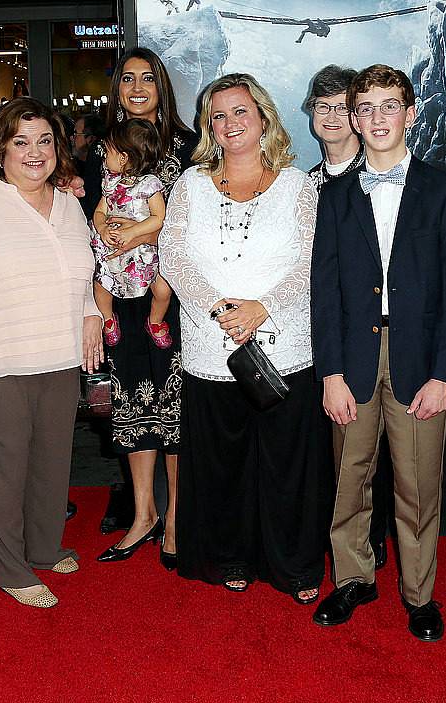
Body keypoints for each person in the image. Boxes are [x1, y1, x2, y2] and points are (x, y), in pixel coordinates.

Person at [311, 64, 446, 642]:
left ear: (410, 113)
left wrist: (444, 372)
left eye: (389, 105)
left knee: (418, 483)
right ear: (353, 118)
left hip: (420, 360)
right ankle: (353, 578)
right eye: (366, 107)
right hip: (351, 360)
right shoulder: (333, 196)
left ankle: (420, 594)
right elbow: (322, 292)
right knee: (349, 475)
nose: (377, 117)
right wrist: (329, 371)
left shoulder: (443, 189)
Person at [161, 73, 330, 604]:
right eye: (218, 115)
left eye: (240, 112)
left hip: (283, 348)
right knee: (221, 464)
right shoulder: (189, 184)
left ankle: (294, 567)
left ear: (263, 118)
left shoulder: (299, 186)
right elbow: (175, 254)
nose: (230, 123)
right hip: (211, 350)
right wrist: (218, 307)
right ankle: (229, 557)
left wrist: (262, 308)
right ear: (208, 127)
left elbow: (310, 262)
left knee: (287, 467)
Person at [0, 98, 104, 608]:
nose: (34, 152)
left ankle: (43, 545)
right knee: (5, 472)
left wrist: (91, 314)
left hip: (59, 357)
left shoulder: (69, 203)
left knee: (53, 464)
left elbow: (81, 274)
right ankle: (11, 569)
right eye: (21, 141)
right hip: (0, 361)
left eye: (44, 141)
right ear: (0, 149)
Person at [89, 48, 196, 560]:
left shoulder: (191, 147)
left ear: (163, 85)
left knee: (174, 407)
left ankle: (177, 518)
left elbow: (198, 216)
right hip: (122, 291)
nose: (135, 87)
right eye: (126, 78)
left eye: (146, 78)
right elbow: (92, 208)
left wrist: (140, 231)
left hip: (171, 293)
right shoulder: (103, 147)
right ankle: (143, 515)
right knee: (133, 402)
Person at [305, 63, 393, 571]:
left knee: (374, 452)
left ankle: (369, 540)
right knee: (333, 450)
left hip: (372, 338)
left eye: (342, 106)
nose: (332, 115)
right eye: (323, 106)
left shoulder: (384, 174)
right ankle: (338, 537)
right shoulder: (303, 182)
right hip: (317, 332)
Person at [91, 119, 174, 353]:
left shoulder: (150, 184)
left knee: (163, 289)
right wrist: (102, 228)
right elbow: (99, 210)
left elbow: (159, 217)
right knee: (101, 283)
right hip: (112, 244)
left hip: (145, 249)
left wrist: (134, 232)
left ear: (124, 157)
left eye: (107, 151)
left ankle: (155, 321)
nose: (104, 156)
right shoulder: (110, 182)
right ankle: (108, 318)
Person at [71, 112, 104, 194]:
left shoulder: (98, 173)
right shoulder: (73, 166)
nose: (71, 138)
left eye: (76, 133)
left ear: (90, 139)